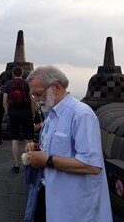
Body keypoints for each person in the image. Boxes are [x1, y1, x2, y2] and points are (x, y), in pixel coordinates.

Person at [25, 65, 112, 222]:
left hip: (74, 205)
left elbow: (92, 166)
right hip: (48, 192)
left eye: (38, 94)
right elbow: (56, 149)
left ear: (56, 87)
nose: (36, 100)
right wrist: (37, 149)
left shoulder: (81, 115)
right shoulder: (51, 114)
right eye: (33, 96)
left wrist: (46, 160)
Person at [3, 65, 34, 173]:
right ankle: (28, 163)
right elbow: (32, 100)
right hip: (26, 114)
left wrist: (6, 112)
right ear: (22, 73)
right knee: (27, 139)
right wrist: (33, 113)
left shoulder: (8, 84)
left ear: (12, 73)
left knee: (14, 139)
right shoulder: (27, 84)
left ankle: (16, 165)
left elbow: (5, 101)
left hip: (13, 114)